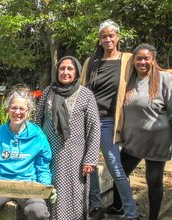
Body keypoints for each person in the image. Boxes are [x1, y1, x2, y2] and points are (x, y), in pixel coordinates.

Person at [80, 19, 139, 220]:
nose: (108, 39)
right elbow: (81, 90)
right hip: (88, 120)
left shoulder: (128, 59)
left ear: (117, 37)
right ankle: (96, 207)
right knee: (90, 165)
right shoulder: (91, 62)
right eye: (104, 36)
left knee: (114, 166)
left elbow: (150, 70)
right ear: (99, 39)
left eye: (111, 35)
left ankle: (131, 213)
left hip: (108, 122)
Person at [33, 56, 101, 219]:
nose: (65, 72)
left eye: (70, 69)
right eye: (62, 68)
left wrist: (90, 159)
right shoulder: (49, 91)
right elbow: (37, 120)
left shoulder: (86, 94)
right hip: (48, 153)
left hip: (74, 156)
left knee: (73, 191)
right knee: (49, 187)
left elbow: (94, 127)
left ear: (76, 71)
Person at [110, 43, 172, 220]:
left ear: (153, 60)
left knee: (153, 181)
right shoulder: (128, 80)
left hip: (157, 142)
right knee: (118, 173)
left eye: (147, 58)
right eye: (139, 58)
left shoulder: (164, 79)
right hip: (133, 141)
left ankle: (153, 217)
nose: (142, 62)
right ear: (133, 60)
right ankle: (118, 207)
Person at [0, 87, 52, 220]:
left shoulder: (38, 136)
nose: (17, 112)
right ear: (8, 109)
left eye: (22, 109)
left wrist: (45, 186)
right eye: (14, 108)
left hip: (27, 186)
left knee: (39, 211)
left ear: (28, 112)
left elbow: (43, 167)